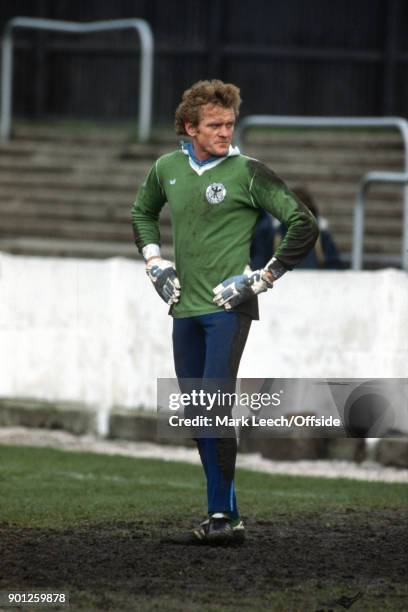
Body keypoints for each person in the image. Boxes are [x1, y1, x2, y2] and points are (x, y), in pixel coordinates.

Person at [131, 79, 319, 545]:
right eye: (214, 125)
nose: (224, 132)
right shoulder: (167, 168)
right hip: (182, 308)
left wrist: (261, 277)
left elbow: (303, 223)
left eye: (229, 124)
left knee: (213, 408)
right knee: (198, 415)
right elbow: (141, 213)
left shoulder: (248, 172)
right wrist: (155, 263)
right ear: (189, 127)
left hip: (225, 309)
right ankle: (229, 514)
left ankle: (219, 517)